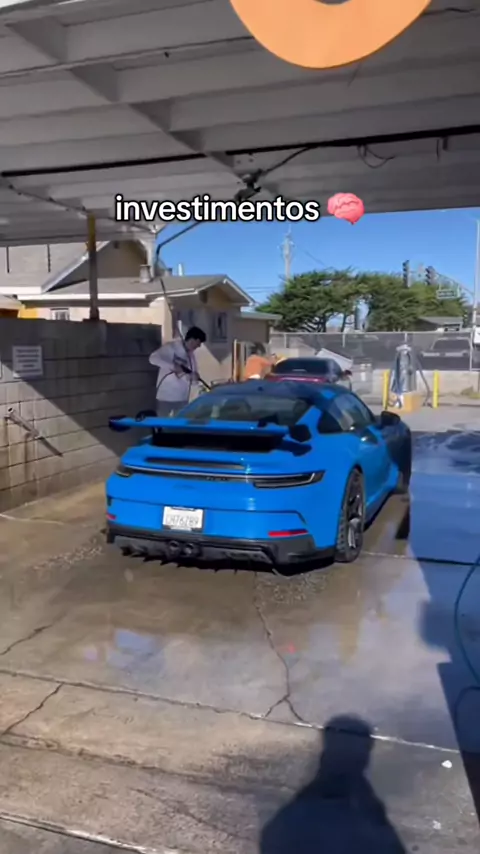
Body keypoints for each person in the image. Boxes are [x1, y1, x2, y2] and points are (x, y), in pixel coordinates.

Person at [149, 326, 206, 417]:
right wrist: (173, 366)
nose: (198, 346)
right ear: (192, 339)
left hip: (182, 398)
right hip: (166, 396)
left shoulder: (191, 357)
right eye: (198, 343)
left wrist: (194, 378)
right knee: (163, 422)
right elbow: (153, 358)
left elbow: (192, 379)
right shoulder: (171, 347)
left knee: (180, 422)